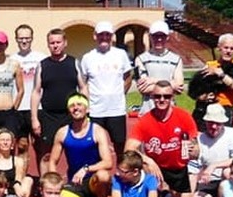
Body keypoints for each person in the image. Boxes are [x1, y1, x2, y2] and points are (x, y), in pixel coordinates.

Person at [125, 80, 198, 197]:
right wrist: (148, 160)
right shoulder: (145, 120)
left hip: (178, 168)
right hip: (155, 168)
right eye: (157, 96)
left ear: (172, 98)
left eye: (166, 96)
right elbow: (128, 149)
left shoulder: (184, 117)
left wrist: (193, 150)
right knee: (141, 166)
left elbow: (196, 150)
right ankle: (150, 194)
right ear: (152, 97)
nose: (162, 100)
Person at [48, 93, 113, 197]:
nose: (75, 108)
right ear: (68, 110)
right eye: (72, 106)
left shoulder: (97, 131)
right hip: (75, 182)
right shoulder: (62, 132)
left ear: (87, 109)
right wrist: (54, 184)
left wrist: (86, 169)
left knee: (104, 176)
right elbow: (52, 161)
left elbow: (108, 162)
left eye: (79, 105)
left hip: (94, 182)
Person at [30, 28, 86, 175]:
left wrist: (85, 109)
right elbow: (36, 92)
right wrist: (34, 118)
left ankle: (75, 184)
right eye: (52, 43)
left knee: (74, 152)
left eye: (58, 42)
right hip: (48, 116)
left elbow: (83, 87)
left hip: (70, 116)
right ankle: (45, 184)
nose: (55, 45)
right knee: (46, 154)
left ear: (65, 43)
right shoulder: (43, 65)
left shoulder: (74, 63)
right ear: (48, 45)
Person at [78, 21, 133, 155]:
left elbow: (128, 77)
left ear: (111, 36)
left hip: (116, 110)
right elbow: (83, 83)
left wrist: (120, 93)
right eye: (101, 35)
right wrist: (87, 104)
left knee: (120, 146)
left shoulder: (120, 55)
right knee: (95, 146)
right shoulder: (88, 58)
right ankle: (96, 174)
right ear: (95, 36)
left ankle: (121, 173)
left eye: (107, 34)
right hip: (96, 111)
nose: (104, 38)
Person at [190, 33, 233, 128]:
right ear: (219, 48)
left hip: (224, 108)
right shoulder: (209, 65)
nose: (228, 51)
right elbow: (195, 88)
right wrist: (203, 96)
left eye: (232, 49)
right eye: (226, 47)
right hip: (206, 109)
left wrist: (219, 73)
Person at [134, 20, 185, 116]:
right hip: (147, 112)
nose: (159, 39)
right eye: (155, 36)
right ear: (150, 37)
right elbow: (143, 88)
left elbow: (179, 86)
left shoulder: (176, 59)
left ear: (167, 37)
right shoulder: (140, 59)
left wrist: (153, 80)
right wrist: (170, 84)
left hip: (170, 113)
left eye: (162, 36)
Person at [10, 24, 46, 157]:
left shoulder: (41, 58)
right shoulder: (11, 60)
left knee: (40, 146)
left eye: (27, 38)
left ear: (32, 38)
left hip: (38, 108)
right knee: (22, 146)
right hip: (19, 109)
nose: (24, 41)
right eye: (21, 38)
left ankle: (43, 177)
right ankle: (21, 176)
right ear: (16, 39)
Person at [0, 128, 33, 197]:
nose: (5, 142)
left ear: (12, 145)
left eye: (8, 140)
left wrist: (15, 185)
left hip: (14, 192)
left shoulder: (18, 161)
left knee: (28, 180)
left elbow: (18, 181)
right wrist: (6, 188)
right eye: (2, 140)